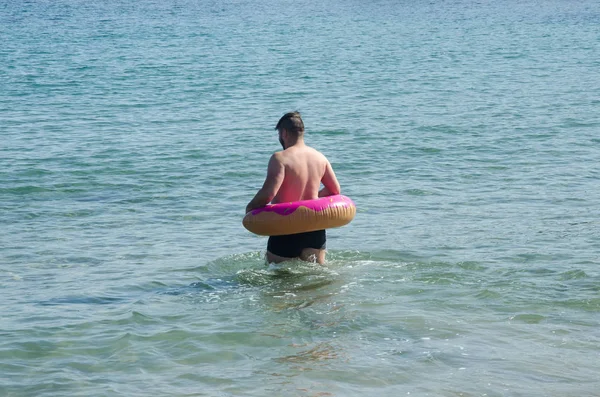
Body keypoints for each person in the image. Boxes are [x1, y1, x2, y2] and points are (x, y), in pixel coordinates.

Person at [245, 112, 341, 265]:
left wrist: (250, 208)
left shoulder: (280, 158)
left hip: (285, 227)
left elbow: (268, 194)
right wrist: (314, 195)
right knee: (317, 278)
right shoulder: (319, 157)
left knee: (280, 282)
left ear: (284, 133)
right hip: (314, 228)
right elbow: (334, 190)